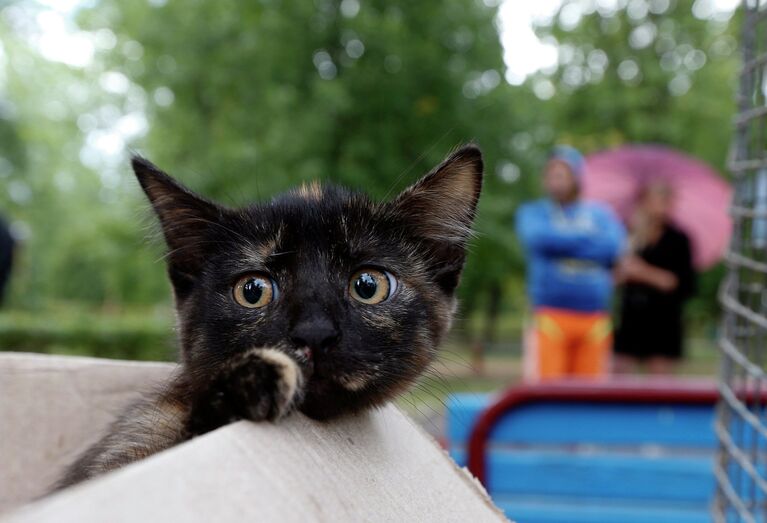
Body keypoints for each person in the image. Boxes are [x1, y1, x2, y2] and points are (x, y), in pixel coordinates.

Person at [517, 145, 626, 380]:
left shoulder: (600, 214)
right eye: (552, 174)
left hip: (594, 320)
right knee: (548, 392)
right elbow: (539, 239)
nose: (556, 181)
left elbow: (612, 246)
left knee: (590, 395)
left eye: (563, 174)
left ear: (577, 177)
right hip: (550, 317)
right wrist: (587, 239)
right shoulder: (533, 213)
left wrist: (563, 244)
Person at [614, 181, 695, 375]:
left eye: (665, 200)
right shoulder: (629, 235)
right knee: (619, 376)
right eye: (655, 200)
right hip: (631, 318)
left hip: (663, 321)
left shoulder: (679, 240)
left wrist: (643, 272)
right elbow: (615, 275)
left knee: (660, 380)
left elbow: (680, 283)